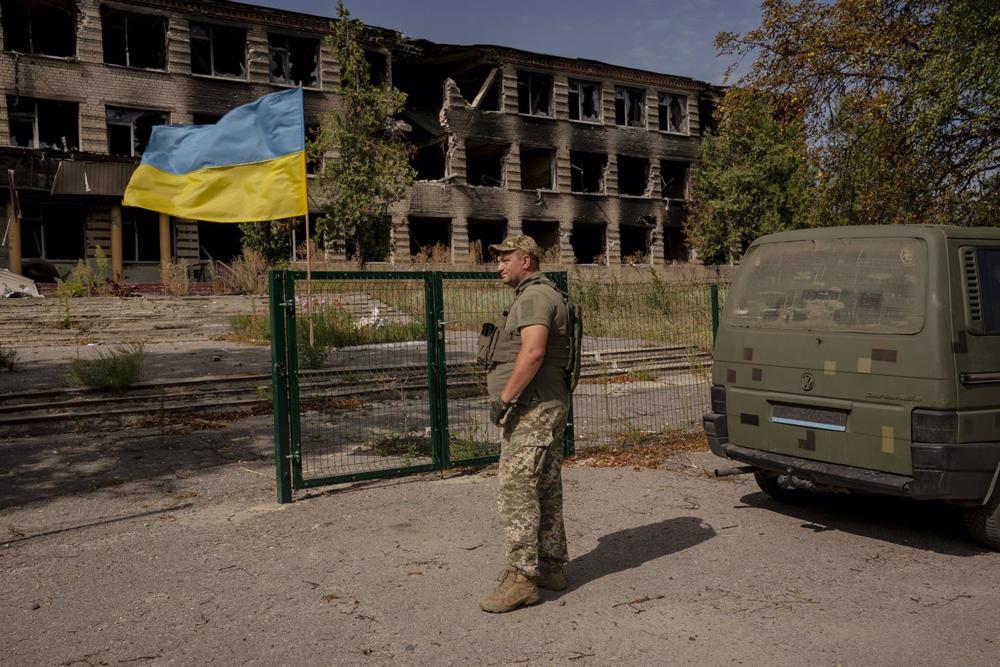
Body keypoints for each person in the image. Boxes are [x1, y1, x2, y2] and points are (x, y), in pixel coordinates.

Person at [479, 234, 573, 613]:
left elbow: (533, 353)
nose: (499, 265)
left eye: (506, 258)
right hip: (546, 405)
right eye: (498, 259)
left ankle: (522, 578)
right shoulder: (543, 294)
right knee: (546, 488)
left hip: (533, 408)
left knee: (517, 490)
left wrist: (504, 400)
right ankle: (551, 566)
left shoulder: (535, 297)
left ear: (527, 261)